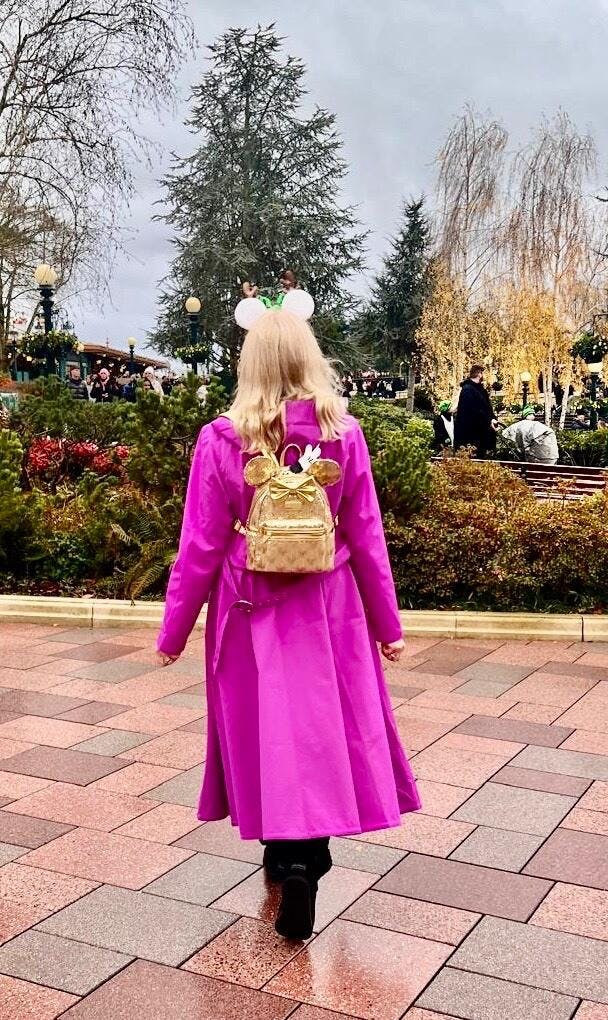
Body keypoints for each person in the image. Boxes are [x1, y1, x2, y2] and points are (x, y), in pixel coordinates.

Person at [156, 306, 421, 941]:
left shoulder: (222, 438)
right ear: (309, 357)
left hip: (249, 604)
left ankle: (282, 856)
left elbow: (201, 543)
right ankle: (309, 858)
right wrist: (388, 626)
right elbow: (367, 533)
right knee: (321, 726)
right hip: (329, 605)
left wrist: (174, 631)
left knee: (265, 727)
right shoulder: (342, 434)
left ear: (250, 365)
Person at [454, 364, 498, 457]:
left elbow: (487, 408)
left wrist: (492, 418)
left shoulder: (481, 390)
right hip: (471, 434)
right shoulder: (467, 389)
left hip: (481, 433)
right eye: (482, 373)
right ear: (479, 374)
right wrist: (488, 420)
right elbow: (472, 411)